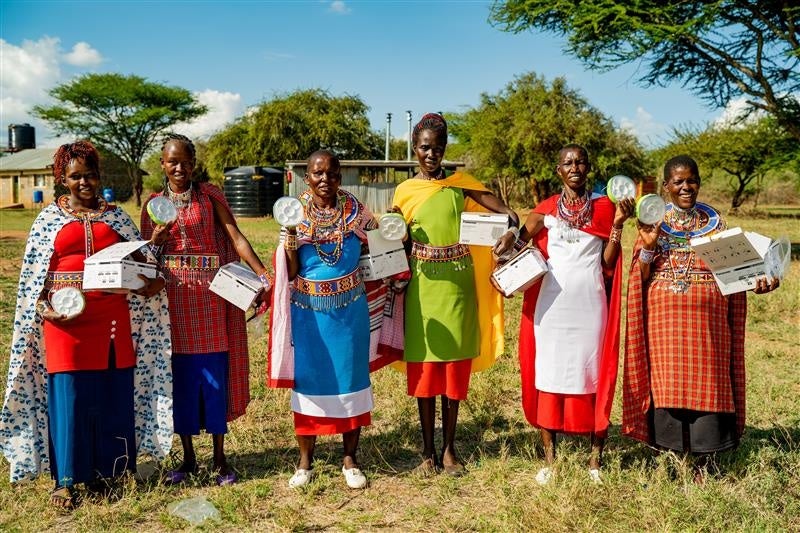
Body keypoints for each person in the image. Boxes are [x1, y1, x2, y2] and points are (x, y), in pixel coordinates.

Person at [0, 141, 172, 510]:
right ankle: (65, 480)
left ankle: (110, 470)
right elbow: (34, 283)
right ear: (62, 179)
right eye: (75, 176)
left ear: (99, 176)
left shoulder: (118, 219)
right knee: (71, 396)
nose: (84, 182)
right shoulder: (49, 221)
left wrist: (153, 255)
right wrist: (47, 311)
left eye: (90, 175)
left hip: (112, 319)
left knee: (112, 394)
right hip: (66, 323)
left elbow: (145, 266)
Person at [622, 155, 779, 481]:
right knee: (667, 383)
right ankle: (672, 458)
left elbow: (741, 273)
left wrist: (762, 279)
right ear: (666, 186)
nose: (685, 187)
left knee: (710, 382)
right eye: (677, 182)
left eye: (691, 180)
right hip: (664, 326)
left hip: (709, 325)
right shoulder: (652, 222)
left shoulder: (716, 225)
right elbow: (640, 273)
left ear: (698, 182)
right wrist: (650, 248)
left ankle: (708, 461)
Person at [494, 144, 634, 485]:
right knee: (550, 375)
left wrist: (617, 226)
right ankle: (550, 461)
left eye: (580, 162)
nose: (575, 167)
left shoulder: (605, 207)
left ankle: (594, 462)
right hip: (551, 308)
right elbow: (515, 243)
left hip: (590, 305)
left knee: (592, 376)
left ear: (588, 168)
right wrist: (508, 240)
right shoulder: (543, 211)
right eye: (568, 163)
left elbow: (608, 263)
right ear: (558, 171)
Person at [140, 133, 270, 486]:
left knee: (213, 375)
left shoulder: (210, 197)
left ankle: (220, 458)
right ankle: (188, 458)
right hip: (174, 300)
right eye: (171, 161)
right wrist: (156, 241)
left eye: (184, 161)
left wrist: (261, 274)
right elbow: (145, 258)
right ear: (163, 164)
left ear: (193, 164)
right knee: (180, 377)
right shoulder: (153, 204)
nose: (178, 167)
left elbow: (236, 237)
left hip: (211, 298)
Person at [391, 113, 517, 475]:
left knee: (453, 370)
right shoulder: (405, 191)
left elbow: (509, 215)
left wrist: (509, 232)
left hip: (459, 284)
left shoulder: (462, 184)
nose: (431, 154)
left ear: (446, 148)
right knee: (427, 369)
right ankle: (427, 452)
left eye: (438, 147)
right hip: (421, 288)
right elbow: (391, 234)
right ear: (415, 149)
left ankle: (449, 450)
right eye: (425, 147)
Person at [269, 149, 389, 489]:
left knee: (351, 381)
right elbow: (290, 271)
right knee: (310, 384)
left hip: (350, 313)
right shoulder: (294, 213)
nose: (325, 180)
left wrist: (395, 235)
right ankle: (305, 462)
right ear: (307, 177)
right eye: (318, 174)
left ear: (340, 176)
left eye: (332, 173)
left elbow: (377, 245)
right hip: (309, 316)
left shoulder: (354, 210)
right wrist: (291, 238)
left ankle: (350, 459)